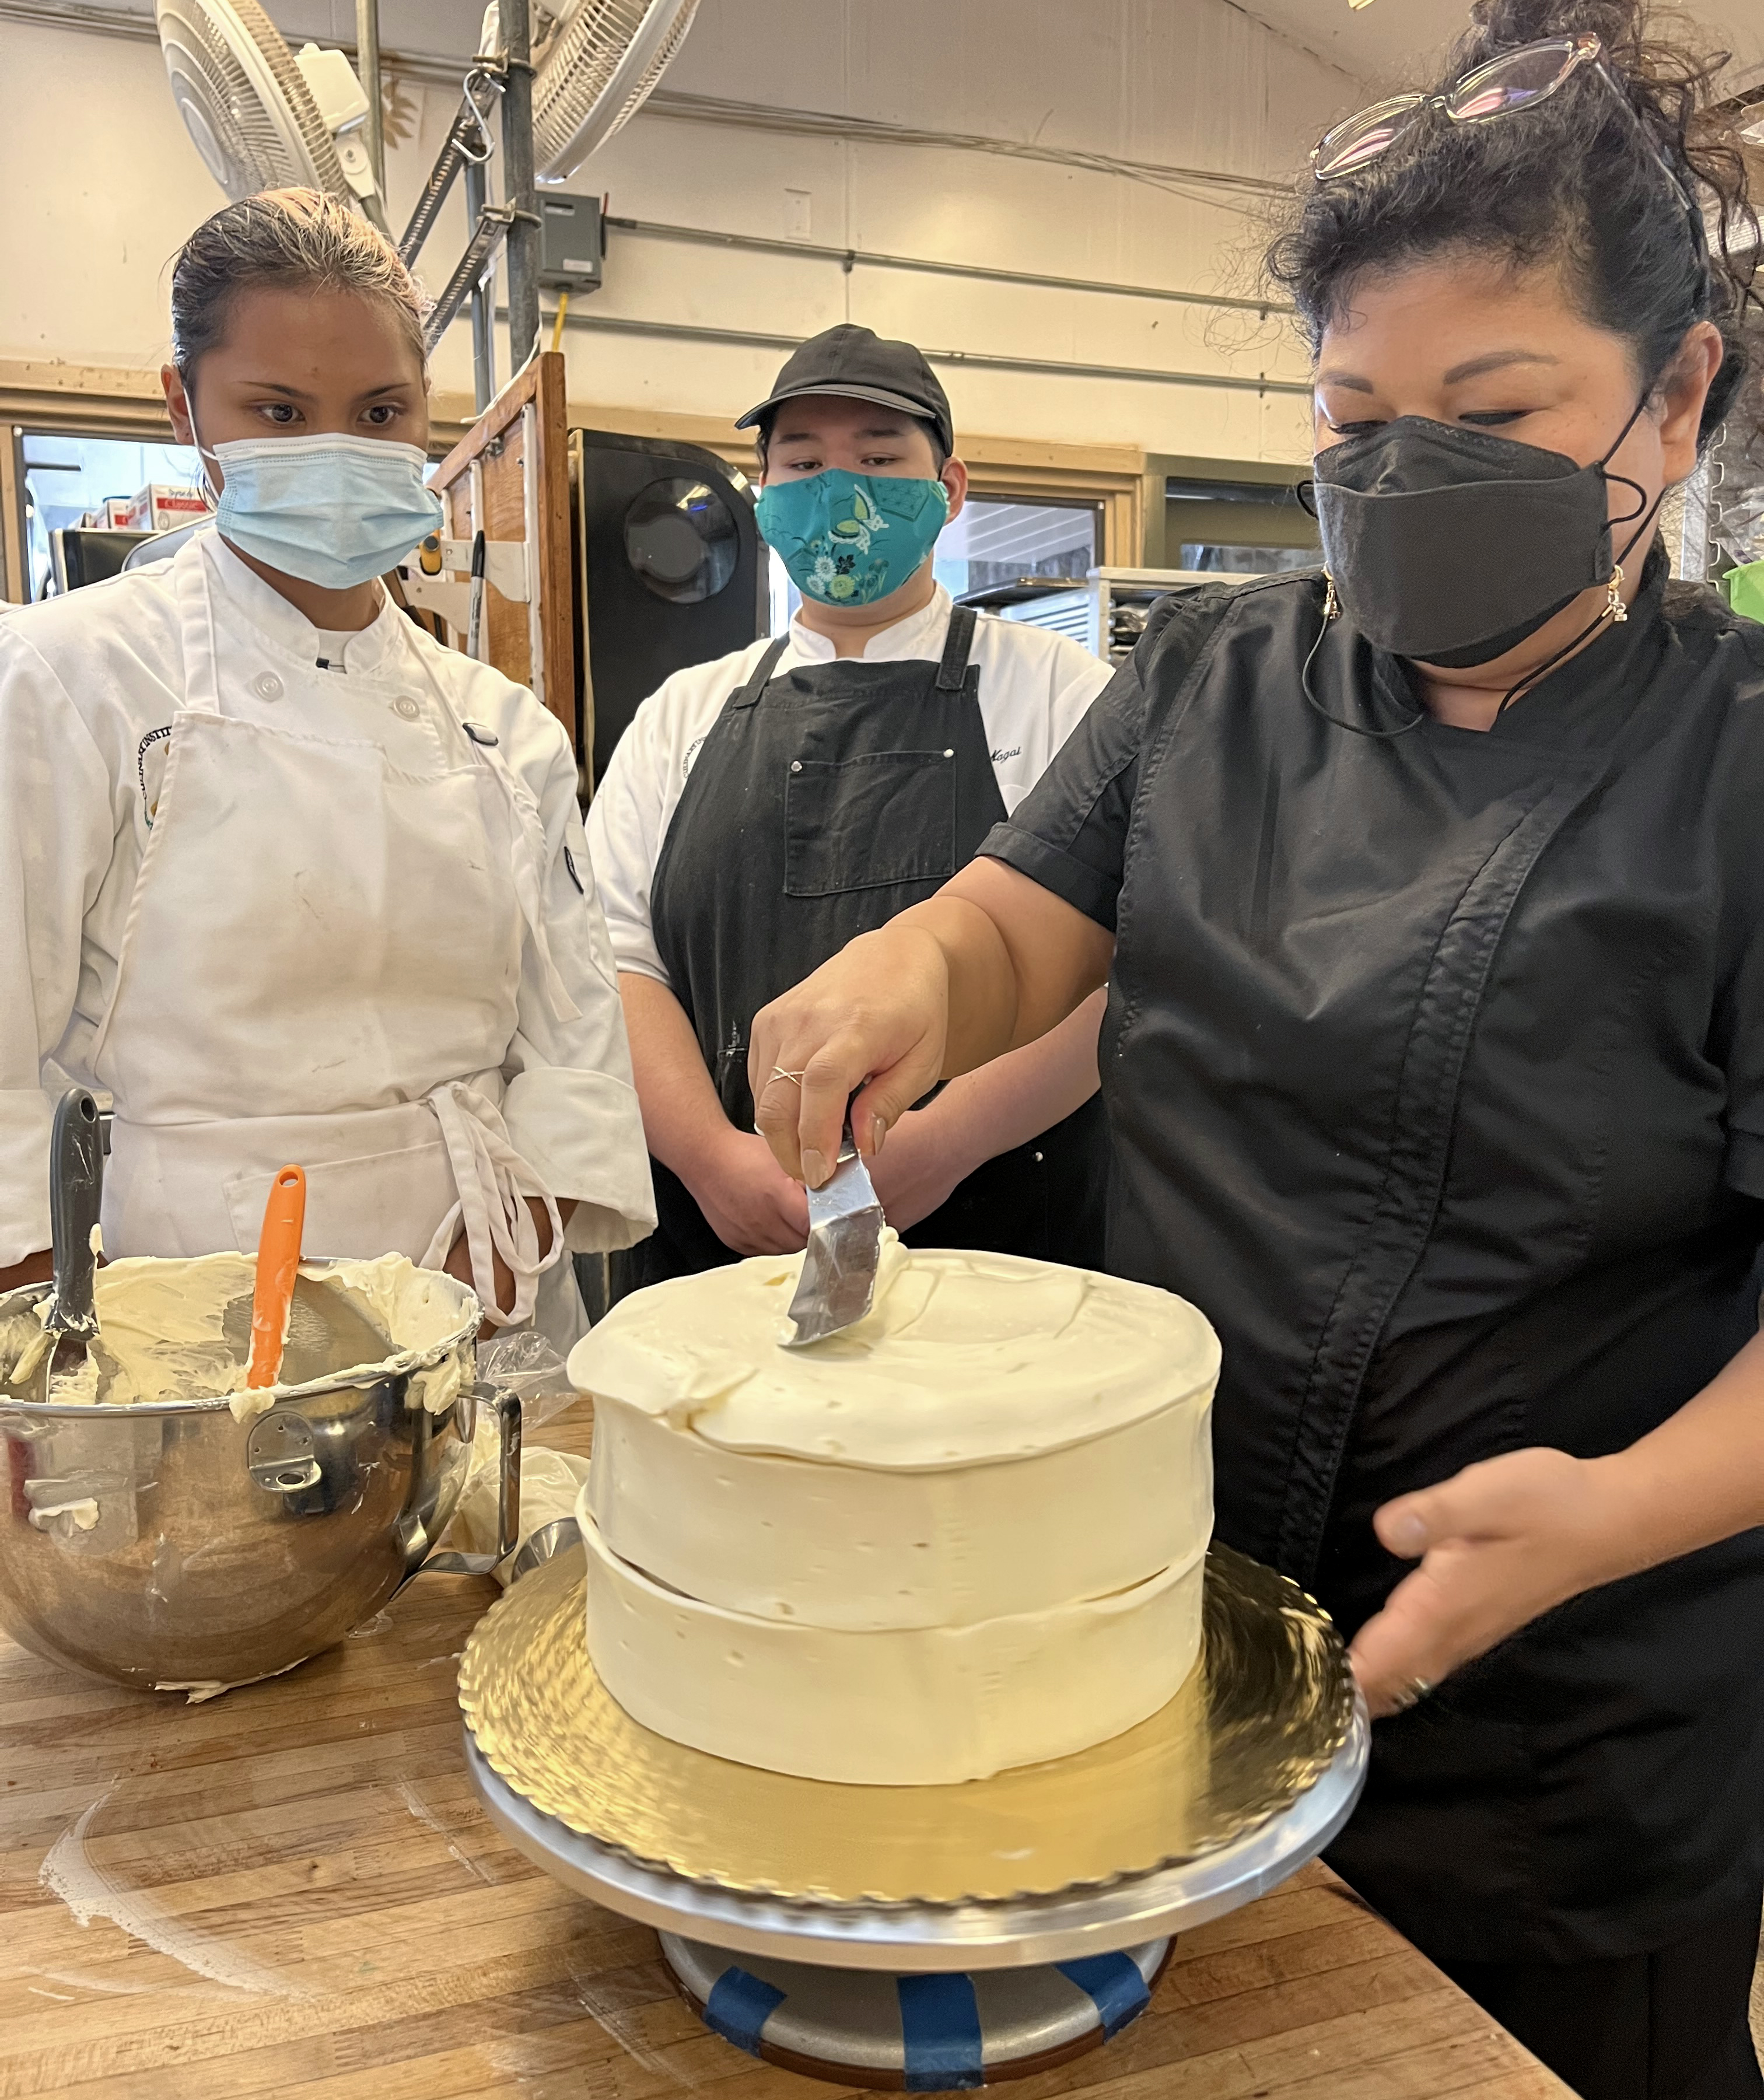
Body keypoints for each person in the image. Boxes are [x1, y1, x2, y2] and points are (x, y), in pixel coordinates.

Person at [749, 6, 1764, 2094]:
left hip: (1558, 1714)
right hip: (1161, 1626)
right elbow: (1022, 924)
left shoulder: (1735, 770)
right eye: (1352, 413)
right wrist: (913, 978)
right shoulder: (1214, 672)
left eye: (1493, 411)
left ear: (1676, 398)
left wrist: (1614, 1510)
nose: (1407, 475)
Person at [0, 189, 654, 1348]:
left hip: (484, 1292)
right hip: (188, 1312)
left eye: (378, 411)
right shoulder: (72, 681)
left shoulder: (502, 729)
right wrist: (62, 1353)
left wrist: (519, 1227)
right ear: (183, 407)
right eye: (280, 410)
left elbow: (572, 1042)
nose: (335, 452)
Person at [586, 324, 1114, 1287]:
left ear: (947, 492)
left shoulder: (1059, 691)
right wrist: (713, 1159)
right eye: (805, 464)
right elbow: (617, 959)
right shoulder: (681, 712)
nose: (841, 490)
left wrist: (946, 1144)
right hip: (725, 1243)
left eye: (878, 459)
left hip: (993, 1233)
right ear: (767, 500)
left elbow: (1123, 959)